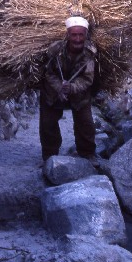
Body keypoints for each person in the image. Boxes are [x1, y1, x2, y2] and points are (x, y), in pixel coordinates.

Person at [39, 16, 99, 166]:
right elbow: (48, 73)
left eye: (81, 35)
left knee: (86, 124)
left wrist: (72, 87)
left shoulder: (90, 54)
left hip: (80, 95)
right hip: (52, 94)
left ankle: (87, 154)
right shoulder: (55, 50)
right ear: (67, 35)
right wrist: (59, 86)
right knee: (47, 124)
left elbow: (87, 79)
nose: (77, 39)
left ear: (86, 35)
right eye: (74, 34)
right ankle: (49, 157)